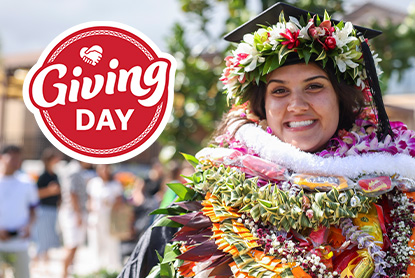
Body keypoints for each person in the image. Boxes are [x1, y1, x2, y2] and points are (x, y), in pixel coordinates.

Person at [119, 2, 415, 278]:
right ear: (260, 108)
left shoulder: (399, 198)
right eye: (279, 91)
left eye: (314, 86)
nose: (296, 105)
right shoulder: (203, 206)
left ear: (343, 100)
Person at [0, 145, 39, 278]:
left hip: (19, 243)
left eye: (18, 158)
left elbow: (33, 210)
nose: (16, 161)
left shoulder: (27, 182)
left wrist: (28, 226)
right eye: (12, 157)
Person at [58, 160, 93, 278]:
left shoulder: (78, 170)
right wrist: (78, 214)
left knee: (74, 245)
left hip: (74, 212)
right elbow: (72, 193)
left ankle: (66, 273)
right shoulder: (74, 170)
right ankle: (63, 274)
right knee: (71, 245)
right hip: (72, 212)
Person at [87, 164, 124, 272]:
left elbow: (119, 201)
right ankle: (97, 267)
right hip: (96, 217)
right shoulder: (93, 183)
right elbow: (89, 201)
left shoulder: (115, 184)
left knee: (111, 242)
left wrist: (110, 204)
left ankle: (112, 268)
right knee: (95, 241)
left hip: (110, 218)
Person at [33, 147, 62, 265]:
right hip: (44, 210)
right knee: (42, 238)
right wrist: (50, 191)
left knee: (49, 237)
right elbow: (36, 194)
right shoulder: (43, 176)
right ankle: (35, 262)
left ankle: (45, 263)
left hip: (53, 209)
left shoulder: (55, 175)